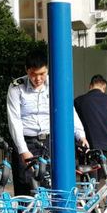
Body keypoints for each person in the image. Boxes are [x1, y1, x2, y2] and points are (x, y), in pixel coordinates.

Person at [6, 49, 88, 195]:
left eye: (42, 74)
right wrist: (23, 150)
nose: (38, 79)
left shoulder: (55, 84)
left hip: (49, 142)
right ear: (27, 70)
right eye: (33, 74)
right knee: (26, 187)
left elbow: (69, 111)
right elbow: (15, 121)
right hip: (27, 141)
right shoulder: (16, 87)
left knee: (51, 185)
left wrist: (80, 135)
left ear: (47, 70)